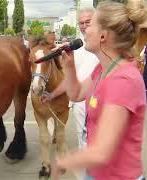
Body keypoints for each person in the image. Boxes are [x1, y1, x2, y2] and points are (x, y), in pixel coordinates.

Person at [51, 0, 147, 179]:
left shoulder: (123, 80)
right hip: (96, 173)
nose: (85, 31)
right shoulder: (102, 68)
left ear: (103, 36)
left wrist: (63, 161)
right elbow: (77, 94)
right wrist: (69, 66)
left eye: (90, 25)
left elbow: (101, 153)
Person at [42, 9, 98, 149]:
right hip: (80, 105)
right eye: (81, 23)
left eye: (88, 22)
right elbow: (70, 81)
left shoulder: (104, 47)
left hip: (100, 104)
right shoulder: (77, 48)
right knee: (84, 142)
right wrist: (52, 95)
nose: (84, 26)